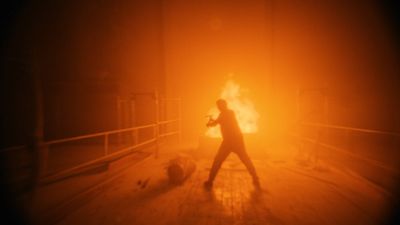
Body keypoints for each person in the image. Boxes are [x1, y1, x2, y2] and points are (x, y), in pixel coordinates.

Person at [204, 99, 260, 189]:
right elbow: (218, 121)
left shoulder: (228, 113)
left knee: (218, 160)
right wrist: (212, 121)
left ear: (224, 105)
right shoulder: (225, 113)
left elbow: (217, 122)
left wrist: (210, 123)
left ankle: (210, 181)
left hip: (232, 141)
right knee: (245, 159)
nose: (219, 107)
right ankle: (255, 178)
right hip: (233, 140)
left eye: (220, 105)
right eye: (218, 106)